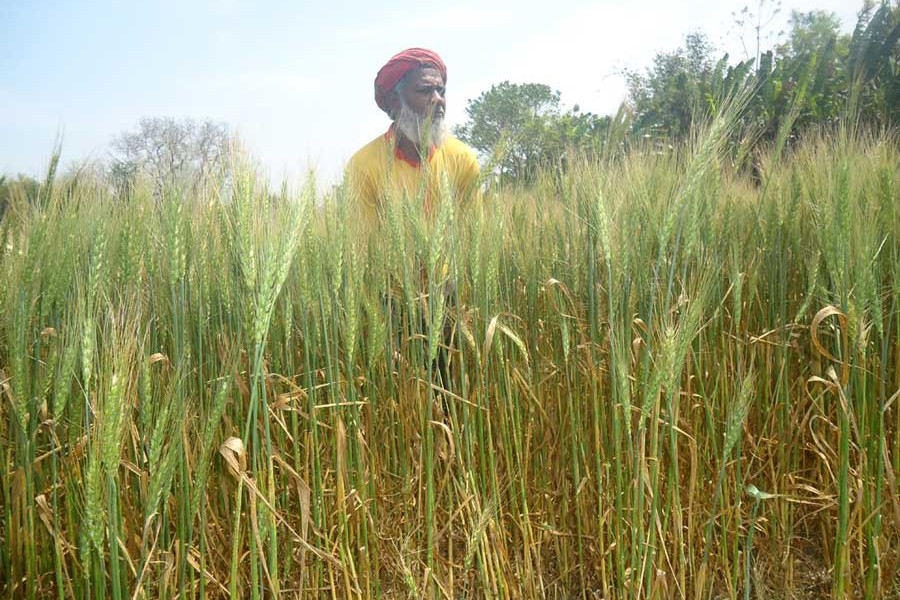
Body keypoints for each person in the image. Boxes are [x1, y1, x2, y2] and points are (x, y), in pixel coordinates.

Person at [345, 47, 480, 229]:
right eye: (425, 91)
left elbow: (473, 234)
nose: (437, 100)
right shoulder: (363, 166)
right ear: (394, 101)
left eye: (441, 91)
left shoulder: (463, 159)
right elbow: (363, 245)